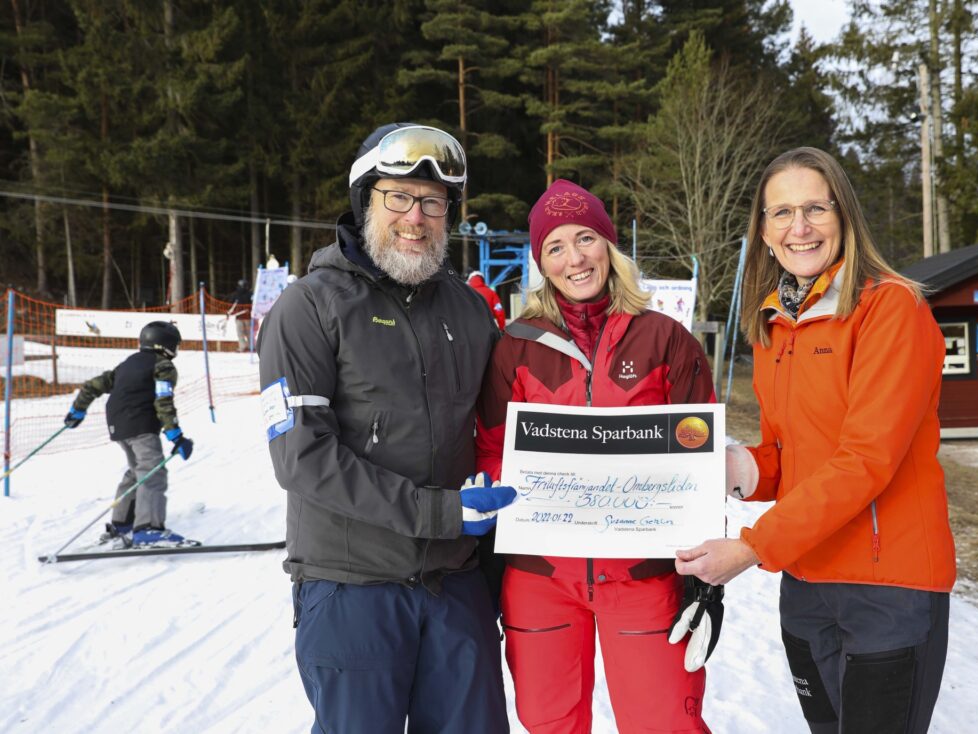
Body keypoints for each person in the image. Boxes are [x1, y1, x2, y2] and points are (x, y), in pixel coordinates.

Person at [675, 147, 956, 733]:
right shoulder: (775, 321)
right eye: (781, 213)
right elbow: (789, 455)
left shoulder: (890, 308)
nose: (798, 228)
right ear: (763, 230)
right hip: (807, 588)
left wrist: (752, 547)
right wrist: (722, 468)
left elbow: (864, 460)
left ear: (845, 216)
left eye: (814, 209)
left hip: (888, 587)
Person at [257, 122, 515, 733]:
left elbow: (506, 425)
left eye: (432, 202)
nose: (416, 217)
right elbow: (301, 457)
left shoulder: (470, 309)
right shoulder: (310, 307)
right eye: (398, 197)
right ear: (365, 200)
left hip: (454, 587)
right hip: (353, 587)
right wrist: (441, 513)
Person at [475, 179, 720, 734]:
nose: (574, 258)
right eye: (555, 247)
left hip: (643, 576)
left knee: (664, 724)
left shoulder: (665, 340)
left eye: (585, 238)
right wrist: (520, 503)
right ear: (541, 263)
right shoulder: (516, 345)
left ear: (609, 246)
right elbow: (491, 449)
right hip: (541, 578)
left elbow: (698, 460)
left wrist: (703, 575)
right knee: (548, 722)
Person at [63, 321, 196, 548]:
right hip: (141, 424)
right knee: (153, 472)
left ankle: (122, 523)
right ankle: (149, 529)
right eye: (175, 345)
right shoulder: (163, 366)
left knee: (137, 471)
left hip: (117, 425)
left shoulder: (128, 364)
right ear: (166, 345)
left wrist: (78, 410)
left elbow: (93, 385)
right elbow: (163, 401)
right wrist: (176, 436)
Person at [227, 279, 252, 352]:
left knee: (240, 333)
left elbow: (231, 303)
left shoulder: (235, 294)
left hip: (240, 317)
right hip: (247, 316)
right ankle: (250, 346)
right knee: (248, 333)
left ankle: (243, 347)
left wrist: (229, 312)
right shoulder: (250, 293)